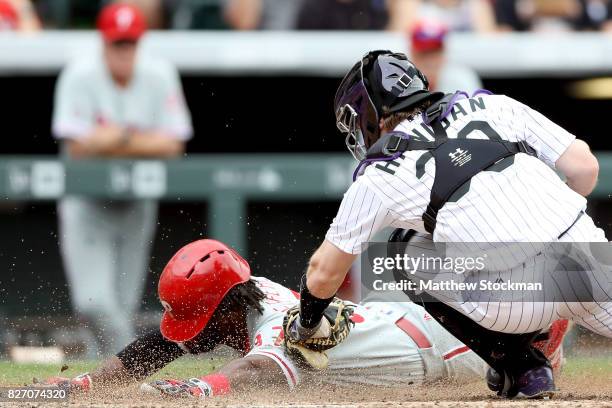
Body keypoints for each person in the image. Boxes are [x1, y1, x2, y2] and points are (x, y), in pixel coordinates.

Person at [284, 49, 609, 399]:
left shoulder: (379, 174)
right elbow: (584, 167)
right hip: (591, 268)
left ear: (370, 112)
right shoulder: (495, 104)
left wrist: (307, 323)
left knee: (399, 250)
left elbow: (323, 273)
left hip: (514, 305)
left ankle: (523, 367)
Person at [39, 239, 512, 397]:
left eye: (201, 319)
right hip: (399, 323)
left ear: (226, 308)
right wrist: (81, 385)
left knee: (527, 365)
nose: (195, 333)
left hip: (441, 350)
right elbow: (156, 346)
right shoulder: (238, 296)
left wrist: (199, 388)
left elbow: (256, 368)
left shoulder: (277, 320)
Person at [51, 2, 193, 355]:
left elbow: (174, 144)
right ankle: (135, 362)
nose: (124, 52)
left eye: (130, 43)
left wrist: (117, 138)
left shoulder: (159, 73)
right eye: (118, 44)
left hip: (136, 203)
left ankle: (104, 384)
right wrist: (141, 141)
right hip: (87, 201)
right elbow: (77, 145)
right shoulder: (80, 73)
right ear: (103, 43)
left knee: (122, 305)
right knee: (94, 303)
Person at [409, 20, 482, 93]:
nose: (429, 61)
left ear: (443, 53)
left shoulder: (462, 79)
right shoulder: (402, 82)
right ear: (412, 53)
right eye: (424, 53)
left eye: (434, 53)